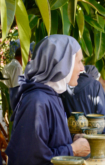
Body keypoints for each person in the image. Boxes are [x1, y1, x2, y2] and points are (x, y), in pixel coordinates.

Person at [6, 35, 90, 164]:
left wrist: (72, 139)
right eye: (78, 61)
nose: (82, 68)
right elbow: (28, 158)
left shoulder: (50, 95)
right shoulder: (37, 101)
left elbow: (46, 143)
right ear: (62, 63)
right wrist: (72, 150)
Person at [60, 65, 105, 133]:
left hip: (72, 135)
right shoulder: (95, 85)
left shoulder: (66, 86)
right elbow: (103, 111)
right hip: (93, 134)